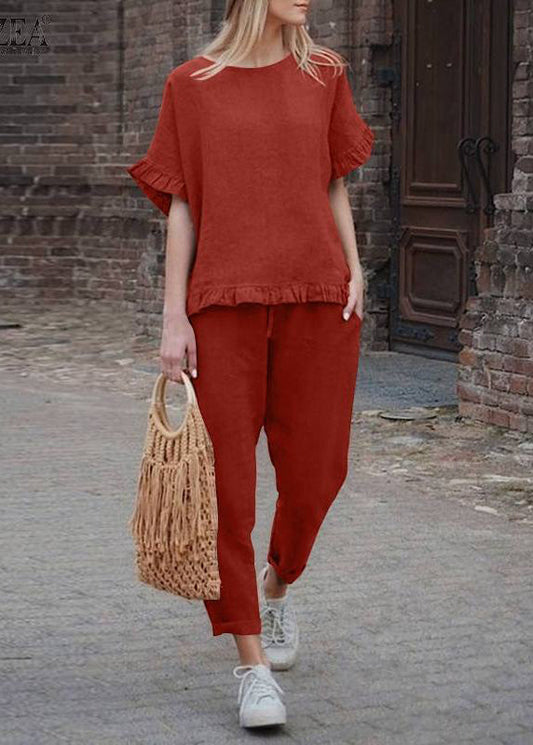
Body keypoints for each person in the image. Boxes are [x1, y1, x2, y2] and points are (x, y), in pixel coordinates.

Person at [126, 0, 374, 729]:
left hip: (317, 296)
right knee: (225, 492)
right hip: (222, 306)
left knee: (320, 471)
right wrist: (173, 317)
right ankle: (252, 665)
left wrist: (355, 266)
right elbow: (181, 206)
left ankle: (277, 586)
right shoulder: (191, 84)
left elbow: (333, 180)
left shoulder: (324, 73)